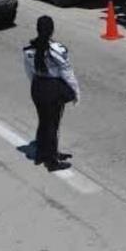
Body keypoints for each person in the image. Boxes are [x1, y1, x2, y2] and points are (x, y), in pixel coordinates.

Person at [23, 16, 80, 172]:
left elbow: (29, 72)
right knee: (53, 125)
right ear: (52, 30)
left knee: (43, 122)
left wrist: (38, 86)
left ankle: (42, 153)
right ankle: (52, 161)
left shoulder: (28, 50)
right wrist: (76, 91)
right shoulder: (57, 49)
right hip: (52, 88)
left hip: (37, 87)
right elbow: (67, 73)